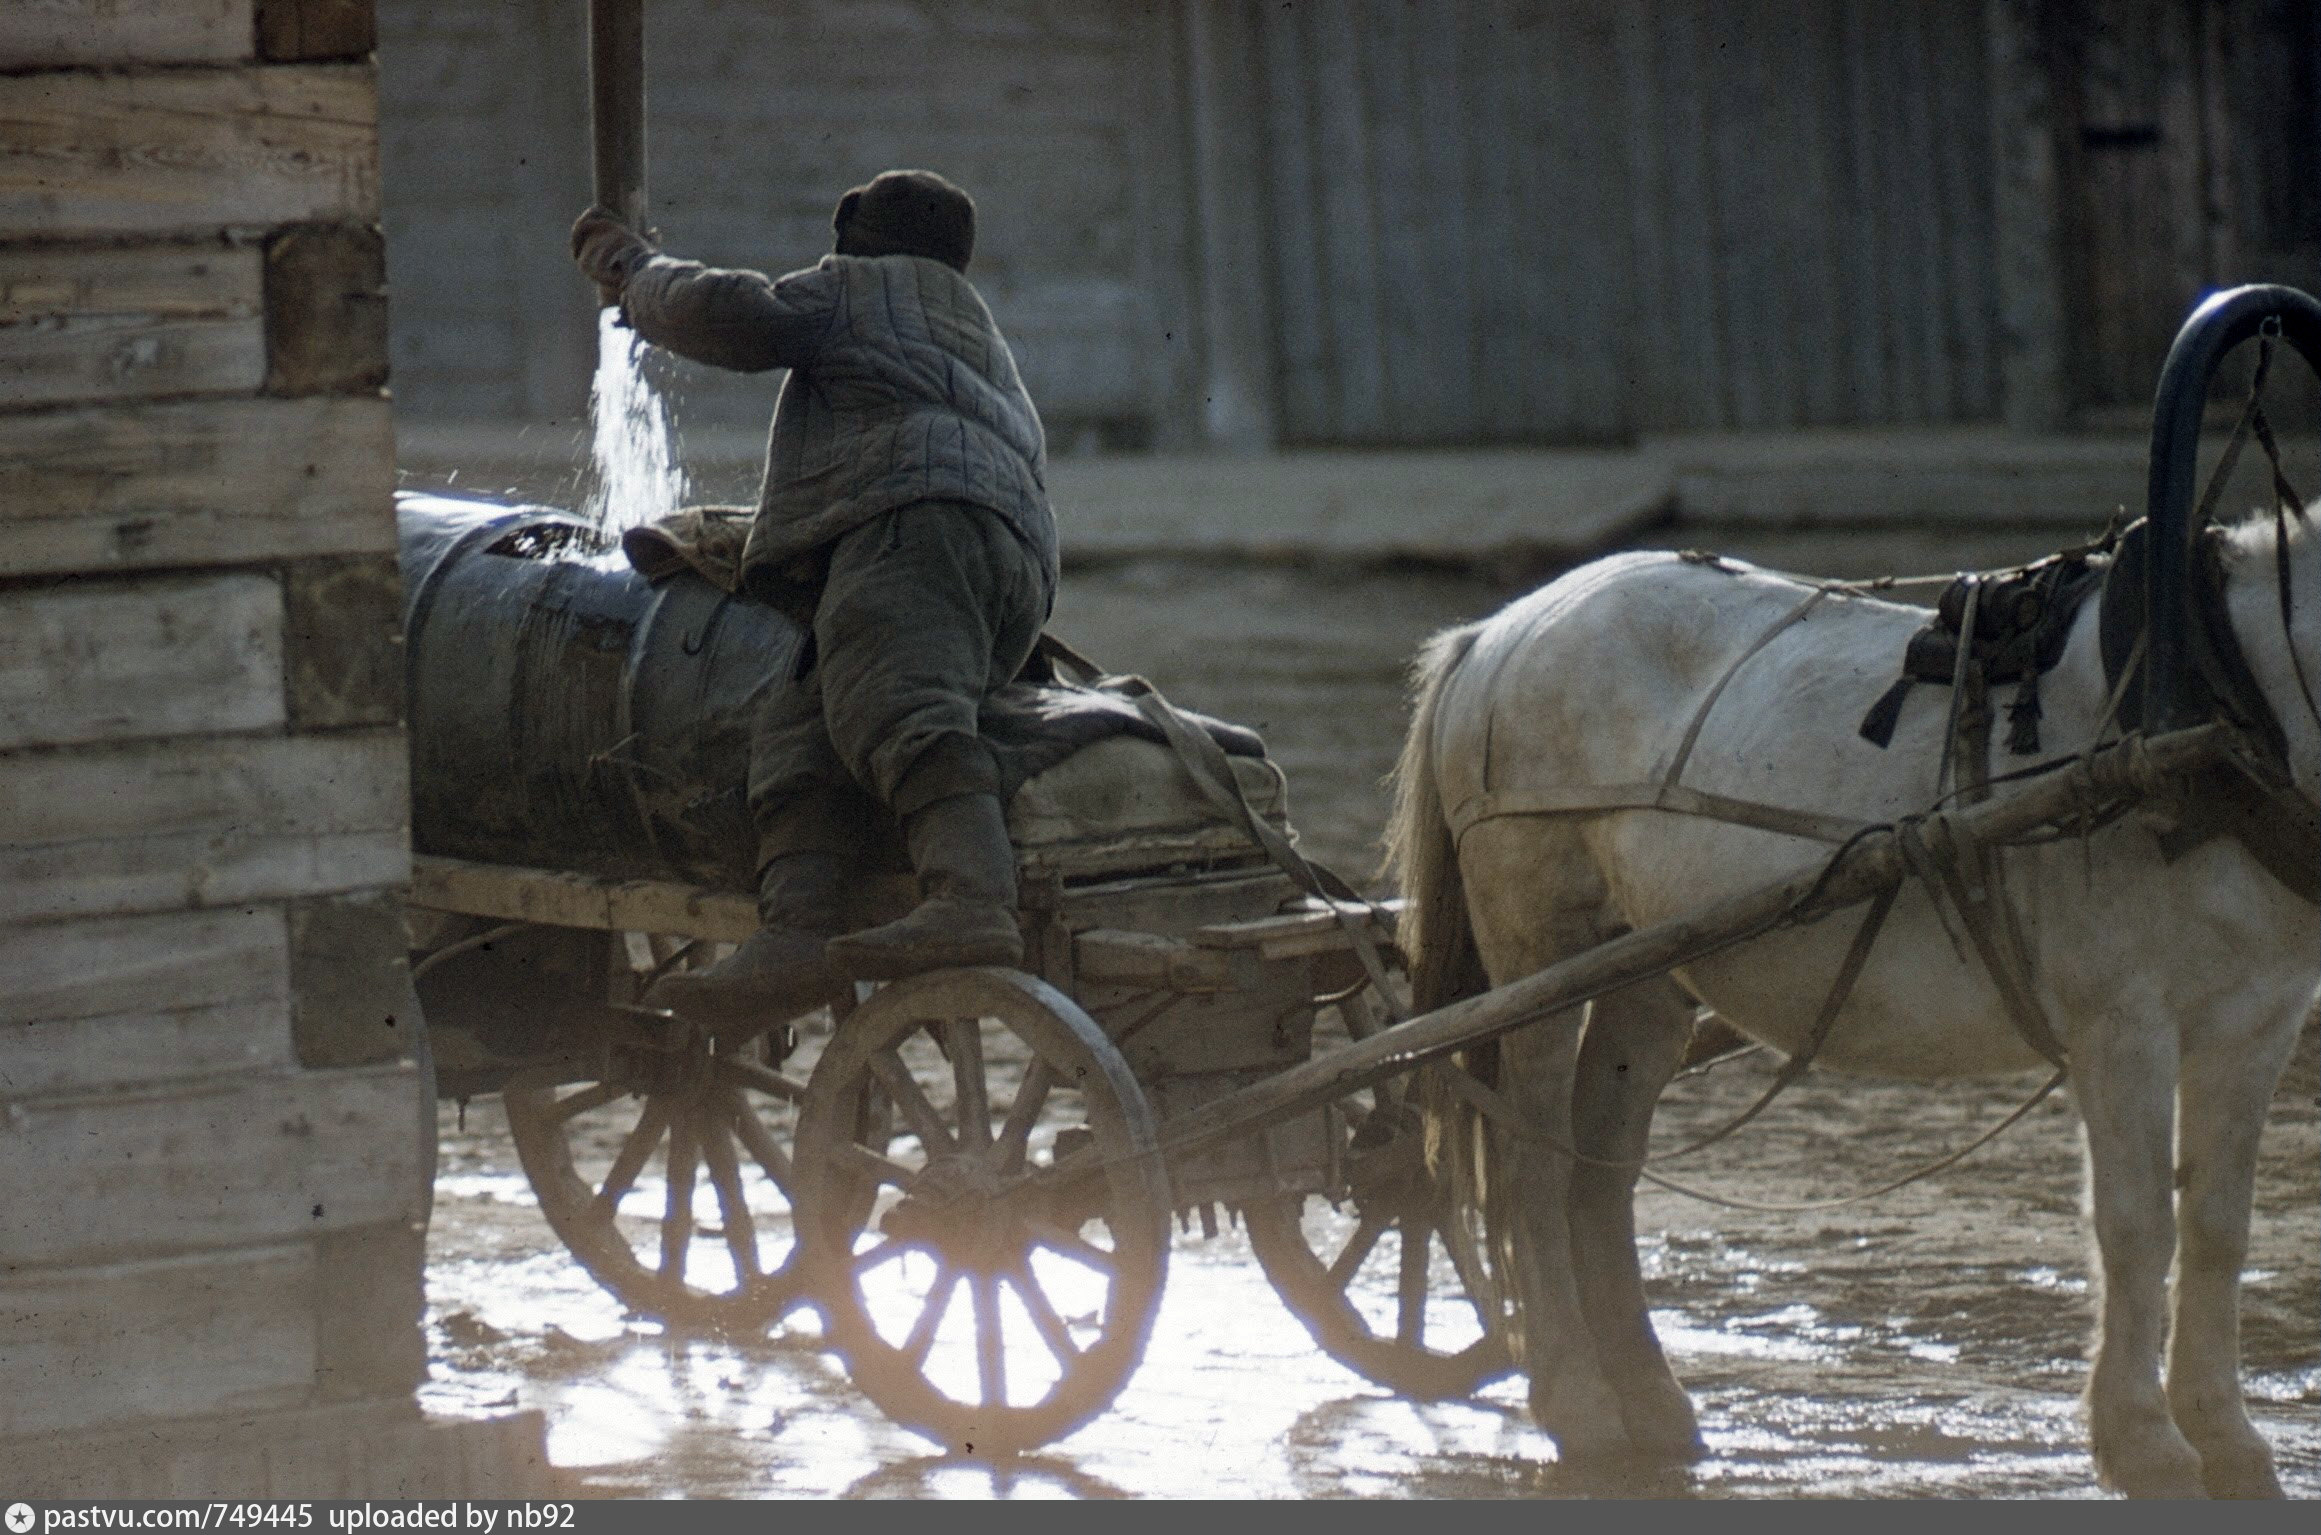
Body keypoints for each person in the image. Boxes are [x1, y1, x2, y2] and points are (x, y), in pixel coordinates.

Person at [570, 169, 1055, 1030]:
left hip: (916, 526)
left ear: (860, 238)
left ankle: (973, 897)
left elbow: (739, 316)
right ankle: (796, 930)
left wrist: (633, 269)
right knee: (801, 732)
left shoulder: (864, 288)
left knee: (900, 707)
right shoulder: (971, 330)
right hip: (999, 561)